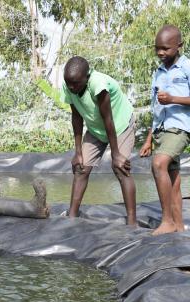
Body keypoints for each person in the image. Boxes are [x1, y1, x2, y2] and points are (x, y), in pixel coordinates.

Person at [61, 56, 137, 225]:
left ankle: (132, 222)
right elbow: (76, 117)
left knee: (120, 168)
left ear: (86, 77)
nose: (72, 87)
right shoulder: (69, 87)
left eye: (76, 83)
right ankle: (72, 216)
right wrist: (78, 152)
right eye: (69, 84)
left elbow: (108, 119)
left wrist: (116, 154)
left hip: (120, 125)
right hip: (96, 129)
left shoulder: (98, 84)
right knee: (80, 168)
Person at [139, 25, 190, 235]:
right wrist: (149, 139)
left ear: (179, 46)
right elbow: (156, 108)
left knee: (159, 164)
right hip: (161, 129)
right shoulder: (158, 73)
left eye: (166, 49)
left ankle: (167, 221)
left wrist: (173, 99)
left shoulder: (187, 67)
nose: (160, 53)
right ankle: (178, 226)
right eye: (157, 48)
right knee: (173, 178)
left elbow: (171, 101)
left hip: (180, 128)